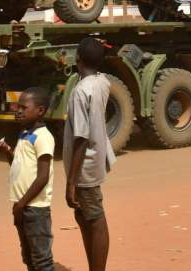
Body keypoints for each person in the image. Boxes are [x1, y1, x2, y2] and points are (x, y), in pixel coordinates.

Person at [63, 37, 116, 271]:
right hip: (94, 162)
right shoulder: (101, 82)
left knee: (95, 220)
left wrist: (71, 182)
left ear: (78, 59)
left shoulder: (80, 92)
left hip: (84, 168)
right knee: (84, 217)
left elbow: (81, 139)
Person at [0, 87, 55, 271]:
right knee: (28, 256)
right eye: (17, 107)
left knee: (42, 260)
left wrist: (22, 204)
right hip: (22, 206)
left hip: (35, 209)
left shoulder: (43, 137)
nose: (18, 111)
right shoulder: (24, 134)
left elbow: (43, 177)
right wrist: (7, 151)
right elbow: (18, 165)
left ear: (40, 111)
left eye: (24, 107)